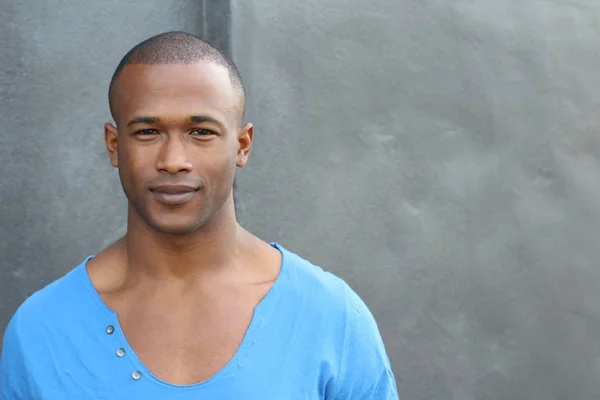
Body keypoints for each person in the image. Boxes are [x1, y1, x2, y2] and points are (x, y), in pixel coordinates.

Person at [0, 31, 398, 399]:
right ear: (113, 145)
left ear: (242, 145)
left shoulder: (331, 319)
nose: (173, 161)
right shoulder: (42, 329)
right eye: (147, 132)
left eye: (201, 132)